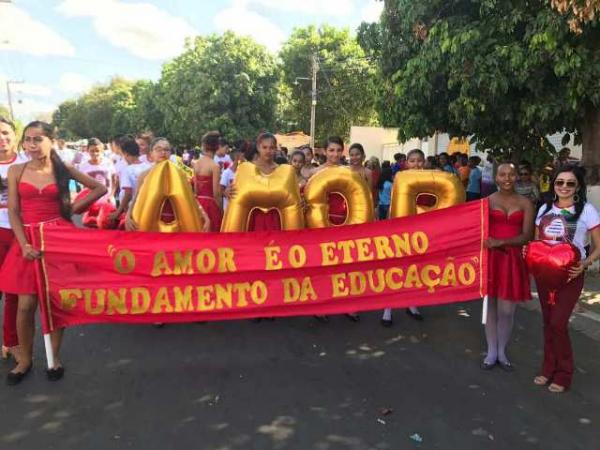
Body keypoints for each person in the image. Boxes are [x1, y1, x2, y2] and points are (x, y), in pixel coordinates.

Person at [0, 121, 107, 385]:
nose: (31, 145)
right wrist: (24, 244)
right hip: (27, 241)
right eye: (28, 140)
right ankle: (25, 359)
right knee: (25, 306)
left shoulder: (63, 168)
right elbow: (13, 211)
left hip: (58, 240)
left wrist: (70, 211)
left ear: (51, 140)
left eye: (37, 139)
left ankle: (54, 357)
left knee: (55, 302)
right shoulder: (16, 170)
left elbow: (99, 188)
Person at [533, 165, 600, 393]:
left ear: (578, 187)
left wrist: (583, 264)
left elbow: (598, 246)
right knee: (547, 323)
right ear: (553, 185)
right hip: (544, 275)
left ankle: (564, 372)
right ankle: (547, 368)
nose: (563, 187)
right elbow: (536, 243)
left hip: (570, 276)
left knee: (558, 324)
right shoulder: (543, 209)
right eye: (559, 182)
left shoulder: (587, 211)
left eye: (570, 183)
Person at [481, 162, 534, 371]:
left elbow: (527, 236)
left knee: (507, 310)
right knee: (491, 307)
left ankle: (502, 350)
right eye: (502, 174)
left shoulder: (526, 203)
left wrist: (501, 242)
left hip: (512, 260)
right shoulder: (485, 201)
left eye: (511, 174)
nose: (507, 178)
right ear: (495, 178)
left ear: (517, 177)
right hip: (491, 259)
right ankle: (492, 351)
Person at [381, 149, 428, 326]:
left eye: (420, 161)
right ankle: (388, 309)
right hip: (399, 230)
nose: (416, 164)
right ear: (406, 162)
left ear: (424, 163)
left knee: (416, 269)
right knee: (395, 269)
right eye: (413, 161)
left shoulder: (431, 180)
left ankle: (412, 303)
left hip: (421, 231)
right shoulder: (399, 180)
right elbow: (393, 206)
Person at [0, 117, 28, 361]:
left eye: (6, 133)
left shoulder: (25, 163)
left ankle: (11, 341)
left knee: (13, 291)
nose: (2, 139)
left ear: (14, 134)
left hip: (20, 233)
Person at [108, 137, 152, 228]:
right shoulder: (149, 167)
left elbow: (128, 194)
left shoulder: (127, 170)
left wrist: (118, 212)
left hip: (131, 209)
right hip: (147, 207)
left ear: (126, 154)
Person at [193, 131, 223, 232]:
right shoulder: (215, 166)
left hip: (198, 205)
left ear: (203, 146)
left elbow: (196, 190)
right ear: (217, 147)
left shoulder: (196, 163)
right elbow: (216, 193)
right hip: (211, 206)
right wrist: (221, 209)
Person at [220, 148, 244, 213]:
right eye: (243, 156)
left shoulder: (244, 173)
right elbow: (221, 190)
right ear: (237, 157)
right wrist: (225, 193)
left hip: (241, 209)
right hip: (229, 210)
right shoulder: (226, 173)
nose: (245, 159)